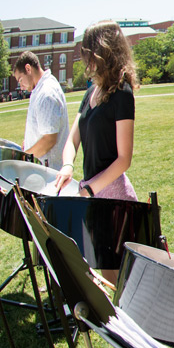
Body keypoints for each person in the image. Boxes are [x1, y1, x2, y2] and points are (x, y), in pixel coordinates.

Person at [54, 20, 140, 281]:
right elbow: (72, 139)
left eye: (88, 52)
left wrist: (90, 188)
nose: (85, 60)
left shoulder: (122, 94)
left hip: (113, 197)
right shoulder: (90, 92)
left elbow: (124, 159)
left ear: (102, 51)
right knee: (102, 270)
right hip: (92, 193)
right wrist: (68, 164)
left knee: (117, 276)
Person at [11, 51, 69, 168]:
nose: (21, 87)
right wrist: (28, 142)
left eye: (20, 80)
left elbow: (49, 139)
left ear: (28, 68)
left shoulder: (46, 93)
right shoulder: (39, 89)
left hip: (49, 172)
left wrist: (24, 158)